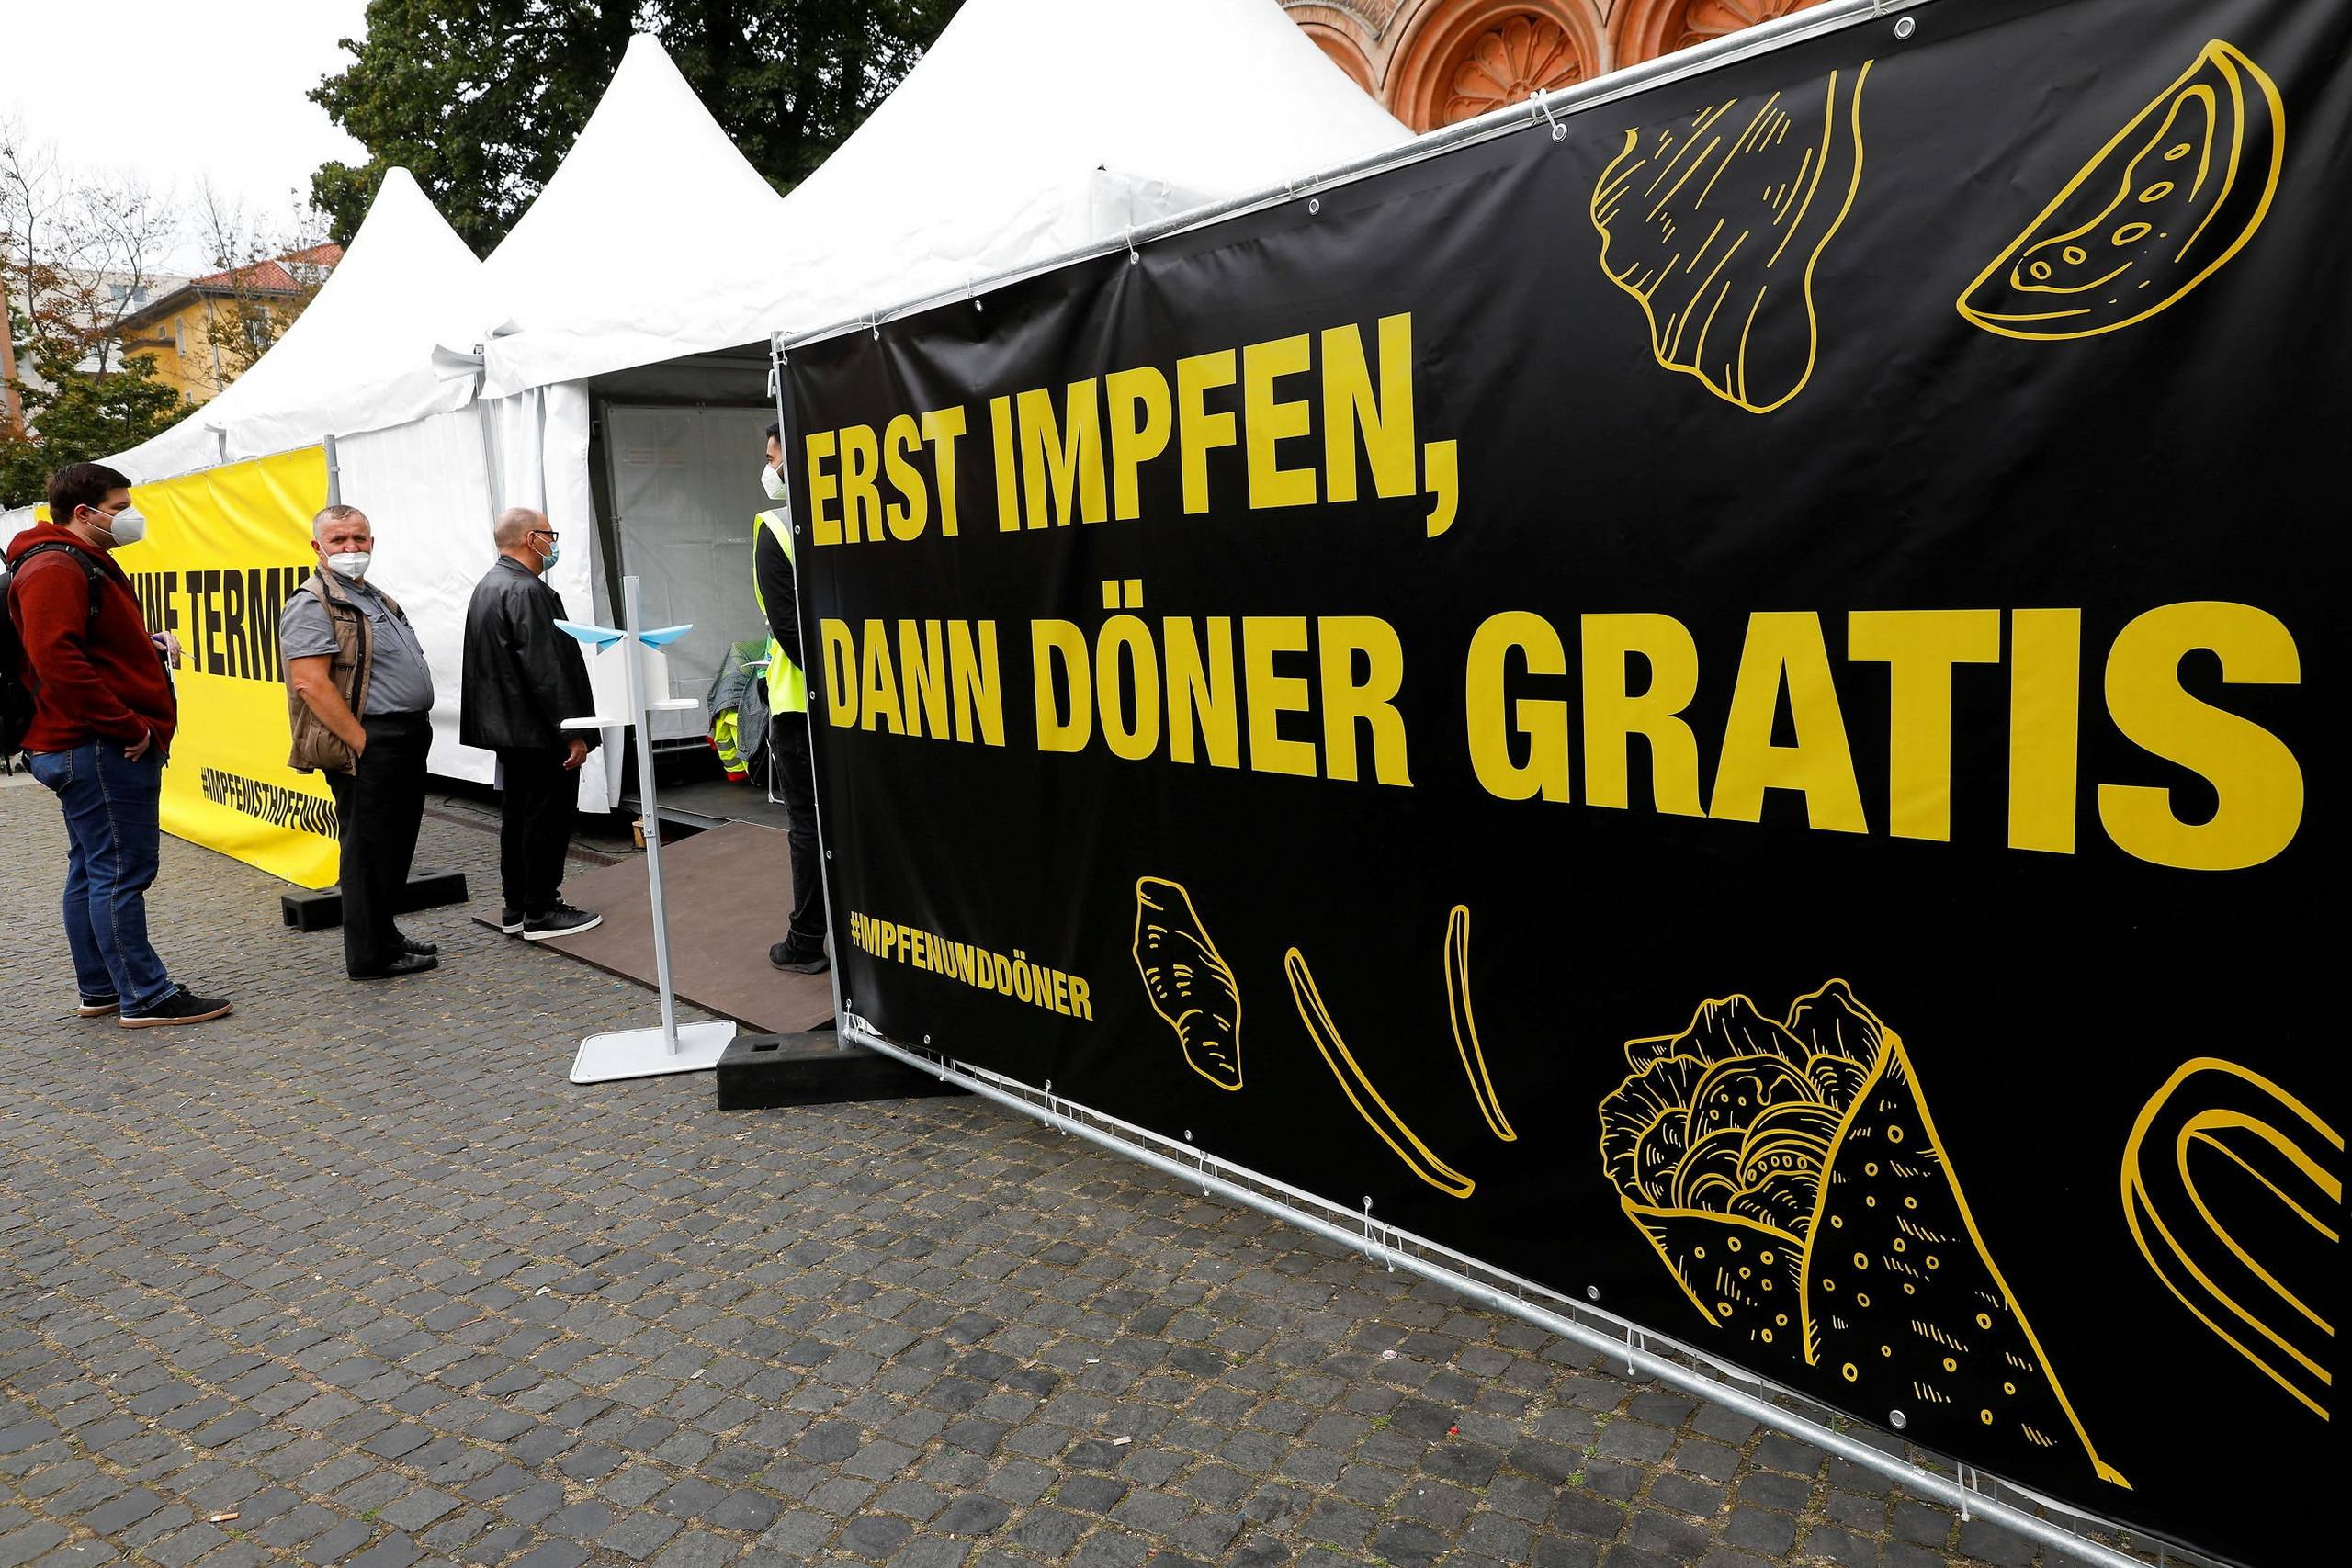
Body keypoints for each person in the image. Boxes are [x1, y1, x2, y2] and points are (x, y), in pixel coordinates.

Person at [5, 462, 232, 1027]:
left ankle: (102, 987)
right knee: (119, 872)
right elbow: (57, 659)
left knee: (92, 868)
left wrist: (141, 645)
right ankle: (145, 995)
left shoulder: (65, 559)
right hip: (97, 747)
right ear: (85, 513)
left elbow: (82, 644)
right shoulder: (56, 565)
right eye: (120, 507)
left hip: (83, 744)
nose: (131, 517)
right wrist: (128, 727)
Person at [280, 504, 438, 980]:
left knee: (394, 845)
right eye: (339, 540)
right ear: (318, 547)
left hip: (403, 736)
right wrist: (361, 742)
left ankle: (384, 934)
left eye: (359, 538)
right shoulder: (313, 602)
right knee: (368, 851)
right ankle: (370, 956)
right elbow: (310, 682)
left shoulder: (371, 596)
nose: (352, 547)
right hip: (370, 740)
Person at [459, 507, 602, 941]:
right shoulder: (527, 590)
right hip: (539, 731)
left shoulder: (488, 586)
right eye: (549, 534)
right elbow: (548, 668)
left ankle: (517, 906)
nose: (553, 543)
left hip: (511, 730)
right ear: (530, 538)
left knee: (518, 818)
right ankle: (541, 909)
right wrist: (573, 731)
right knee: (546, 819)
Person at [754, 423, 828, 975]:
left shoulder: (775, 527)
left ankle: (805, 940)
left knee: (808, 825)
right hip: (874, 700)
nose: (768, 465)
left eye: (771, 453)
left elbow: (787, 625)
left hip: (802, 706)